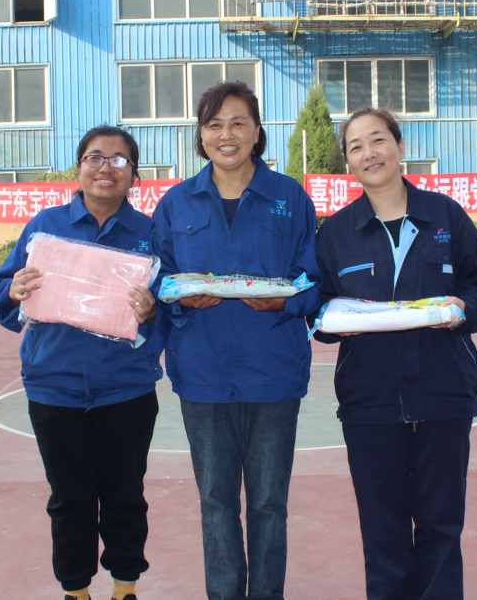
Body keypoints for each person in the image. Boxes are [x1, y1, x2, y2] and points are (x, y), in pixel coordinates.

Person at [314, 107, 477, 600]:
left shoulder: (445, 216)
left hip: (444, 396)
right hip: (370, 403)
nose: (369, 153)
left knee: (441, 526)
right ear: (348, 162)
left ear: (399, 146)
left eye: (378, 140)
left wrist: (464, 309)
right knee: (383, 532)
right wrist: (333, 321)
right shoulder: (335, 233)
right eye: (356, 146)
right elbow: (318, 308)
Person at [151, 81, 321, 600]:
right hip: (202, 375)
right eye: (214, 124)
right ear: (201, 136)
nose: (227, 135)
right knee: (216, 503)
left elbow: (314, 279)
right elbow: (157, 277)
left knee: (269, 503)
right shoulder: (176, 203)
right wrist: (180, 297)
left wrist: (286, 302)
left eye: (238, 122)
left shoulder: (290, 197)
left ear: (256, 131)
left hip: (273, 372)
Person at [0, 125, 165, 600]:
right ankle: (75, 590)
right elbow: (5, 291)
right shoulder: (45, 227)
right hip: (54, 387)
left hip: (126, 388)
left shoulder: (151, 234)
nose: (106, 167)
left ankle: (125, 587)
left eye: (119, 159)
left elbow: (171, 308)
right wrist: (14, 290)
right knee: (69, 499)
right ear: (79, 167)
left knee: (125, 497)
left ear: (134, 173)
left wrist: (152, 311)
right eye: (95, 157)